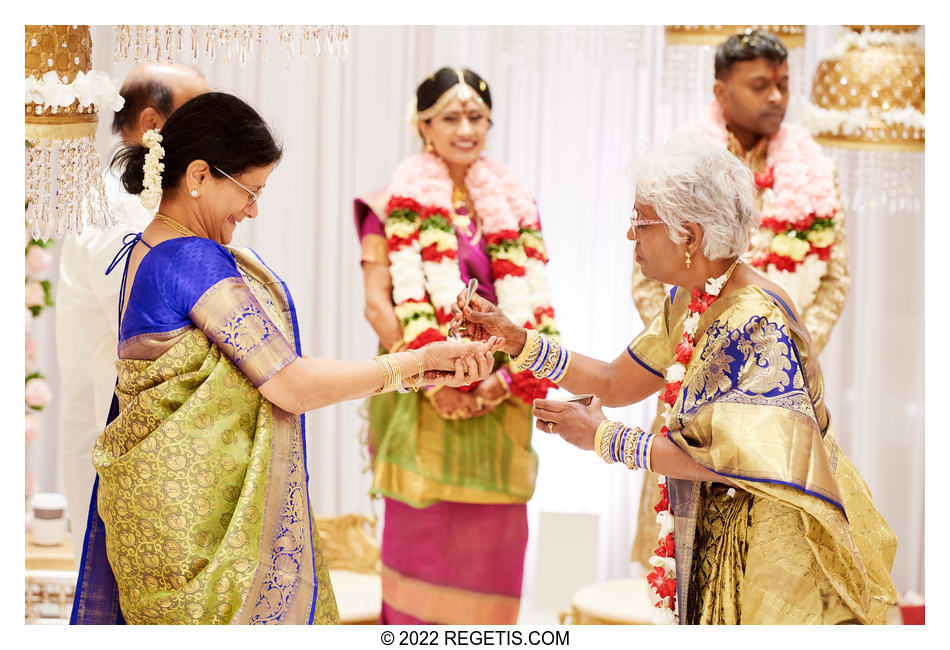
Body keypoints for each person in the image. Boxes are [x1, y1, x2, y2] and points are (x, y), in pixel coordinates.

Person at [70, 91, 499, 625]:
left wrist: (419, 366)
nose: (253, 209)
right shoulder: (191, 259)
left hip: (155, 522)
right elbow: (289, 384)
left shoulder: (146, 247)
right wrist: (415, 362)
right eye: (250, 190)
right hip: (204, 539)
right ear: (199, 175)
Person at [454, 138, 896, 624]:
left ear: (688, 235)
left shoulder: (752, 320)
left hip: (770, 551)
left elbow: (722, 462)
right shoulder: (696, 298)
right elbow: (614, 382)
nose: (629, 235)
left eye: (641, 223)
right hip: (724, 530)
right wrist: (516, 341)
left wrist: (601, 437)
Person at [630, 29, 850, 567]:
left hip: (778, 384)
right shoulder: (682, 163)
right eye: (759, 85)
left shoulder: (815, 169)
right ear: (722, 92)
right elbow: (644, 279)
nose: (776, 97)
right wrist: (701, 343)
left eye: (782, 84)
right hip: (694, 371)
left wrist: (775, 346)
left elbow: (834, 280)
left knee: (773, 545)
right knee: (676, 545)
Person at [353, 67, 560, 624]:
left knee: (491, 552)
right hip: (423, 399)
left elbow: (533, 301)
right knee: (423, 538)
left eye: (476, 117)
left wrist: (501, 380)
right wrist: (431, 381)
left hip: (501, 400)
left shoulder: (515, 202)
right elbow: (379, 306)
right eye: (451, 116)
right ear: (423, 124)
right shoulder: (386, 202)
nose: (465, 128)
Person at [57, 63, 210, 563]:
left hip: (160, 450)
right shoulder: (113, 214)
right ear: (152, 126)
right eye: (199, 117)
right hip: (121, 455)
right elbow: (159, 328)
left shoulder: (151, 203)